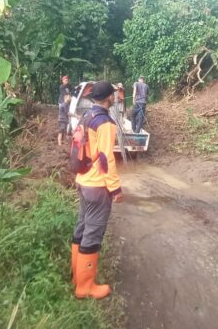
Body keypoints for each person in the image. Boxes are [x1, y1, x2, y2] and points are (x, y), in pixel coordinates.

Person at [71, 81, 123, 300]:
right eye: (113, 95)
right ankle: (85, 287)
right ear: (109, 97)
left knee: (82, 227)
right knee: (92, 233)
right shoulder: (104, 122)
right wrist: (115, 188)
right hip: (97, 185)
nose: (115, 97)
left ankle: (76, 276)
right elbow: (105, 158)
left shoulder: (86, 116)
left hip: (83, 179)